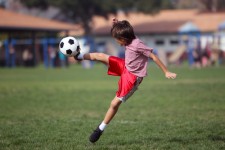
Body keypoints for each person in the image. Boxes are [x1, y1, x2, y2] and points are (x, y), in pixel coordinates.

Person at [74, 18, 177, 143]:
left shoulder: (137, 44)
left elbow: (154, 57)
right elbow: (125, 30)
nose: (116, 42)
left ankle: (100, 129)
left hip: (132, 77)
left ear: (123, 38)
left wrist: (166, 72)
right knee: (100, 56)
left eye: (116, 39)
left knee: (114, 104)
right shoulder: (128, 38)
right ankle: (77, 56)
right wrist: (117, 24)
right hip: (125, 66)